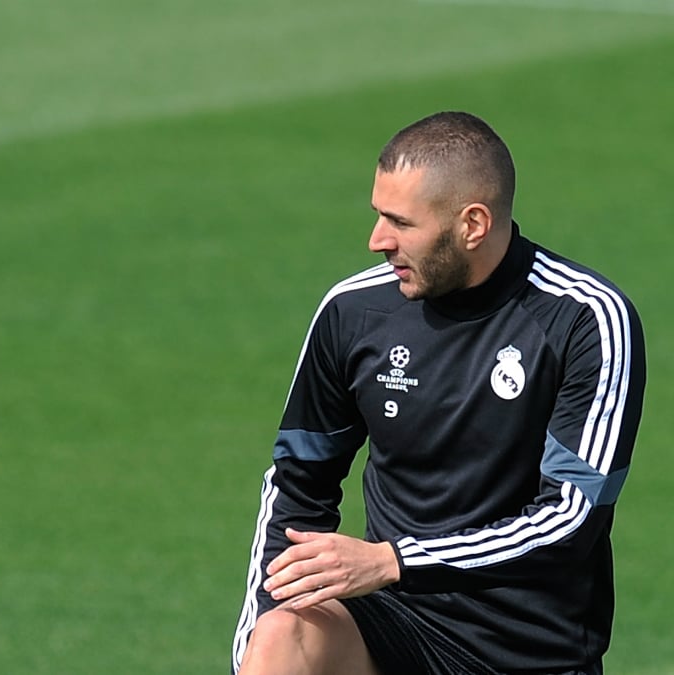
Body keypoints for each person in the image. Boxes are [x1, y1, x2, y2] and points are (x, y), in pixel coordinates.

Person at [231, 111, 646, 675]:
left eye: (400, 222)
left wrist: (396, 561)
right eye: (378, 215)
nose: (377, 240)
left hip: (531, 653)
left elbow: (571, 521)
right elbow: (297, 484)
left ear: (472, 224)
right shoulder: (353, 312)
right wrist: (256, 643)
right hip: (396, 629)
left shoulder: (584, 320)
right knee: (284, 633)